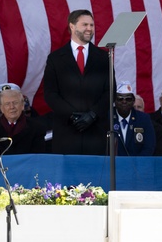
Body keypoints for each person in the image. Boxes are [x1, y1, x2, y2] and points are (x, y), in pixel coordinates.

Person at [43, 9, 113, 155]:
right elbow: (50, 93)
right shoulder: (55, 58)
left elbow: (110, 91)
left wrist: (93, 115)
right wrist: (72, 115)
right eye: (85, 24)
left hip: (95, 133)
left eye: (92, 25)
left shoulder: (103, 57)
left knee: (94, 176)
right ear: (72, 26)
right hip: (67, 132)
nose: (89, 29)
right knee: (68, 176)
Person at [0, 83, 47, 155]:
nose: (12, 107)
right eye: (7, 103)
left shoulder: (37, 127)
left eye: (15, 102)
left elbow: (38, 158)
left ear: (22, 105)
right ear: (1, 107)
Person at [112, 83, 156, 157]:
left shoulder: (143, 119)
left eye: (128, 99)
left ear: (133, 101)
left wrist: (136, 165)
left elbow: (149, 147)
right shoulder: (108, 117)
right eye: (120, 98)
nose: (124, 101)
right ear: (115, 101)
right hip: (113, 166)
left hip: (137, 166)